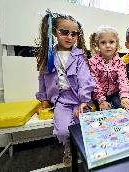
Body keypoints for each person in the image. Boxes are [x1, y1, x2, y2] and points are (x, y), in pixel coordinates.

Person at [35, 10, 95, 166]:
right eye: (64, 32)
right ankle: (69, 147)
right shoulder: (48, 54)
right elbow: (42, 78)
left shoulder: (79, 55)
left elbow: (85, 79)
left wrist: (84, 100)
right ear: (55, 32)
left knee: (83, 124)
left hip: (79, 97)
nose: (69, 37)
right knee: (62, 131)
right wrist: (44, 99)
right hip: (61, 99)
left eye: (74, 34)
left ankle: (82, 150)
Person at [89, 26, 129, 110]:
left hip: (114, 93)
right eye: (103, 42)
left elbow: (123, 80)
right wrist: (101, 100)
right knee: (103, 112)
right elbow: (94, 82)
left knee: (121, 108)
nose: (108, 45)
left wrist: (124, 96)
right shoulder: (93, 61)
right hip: (97, 95)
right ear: (98, 45)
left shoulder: (119, 62)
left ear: (116, 44)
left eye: (111, 42)